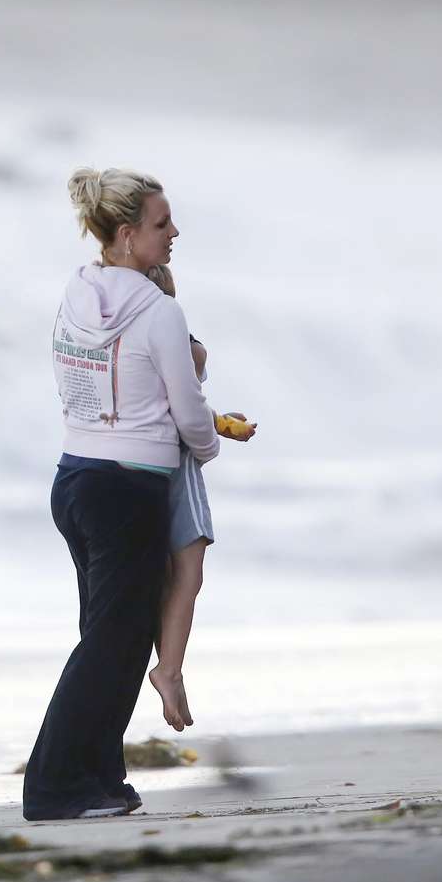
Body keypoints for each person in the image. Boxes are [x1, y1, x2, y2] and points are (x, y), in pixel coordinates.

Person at [23, 167, 220, 822]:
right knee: (111, 642)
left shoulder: (76, 294)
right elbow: (190, 414)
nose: (174, 234)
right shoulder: (162, 312)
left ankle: (102, 778)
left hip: (76, 480)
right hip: (127, 490)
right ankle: (53, 787)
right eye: (163, 225)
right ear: (128, 233)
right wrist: (209, 442)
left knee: (116, 637)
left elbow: (80, 383)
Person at [142, 263, 257, 733]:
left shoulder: (119, 344)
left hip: (135, 467)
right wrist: (221, 426)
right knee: (188, 574)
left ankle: (165, 665)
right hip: (179, 469)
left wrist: (216, 418)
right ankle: (168, 669)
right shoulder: (189, 345)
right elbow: (185, 402)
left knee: (161, 579)